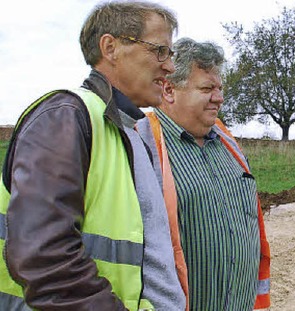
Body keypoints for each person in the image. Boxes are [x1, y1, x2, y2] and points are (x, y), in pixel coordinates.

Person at [0, 1, 187, 310]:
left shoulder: (130, 131)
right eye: (159, 51)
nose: (169, 66)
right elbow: (44, 259)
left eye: (171, 54)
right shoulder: (65, 116)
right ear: (110, 47)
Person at [138, 37, 271, 310]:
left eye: (220, 88)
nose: (220, 98)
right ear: (169, 90)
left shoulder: (228, 142)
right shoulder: (142, 144)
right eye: (207, 88)